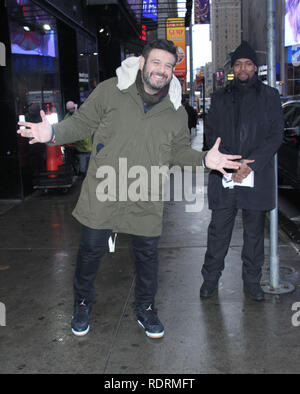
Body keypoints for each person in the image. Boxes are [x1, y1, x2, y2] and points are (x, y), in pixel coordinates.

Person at [18, 39, 241, 338]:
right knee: (90, 251)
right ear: (142, 63)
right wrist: (52, 133)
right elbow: (82, 123)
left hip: (146, 194)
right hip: (104, 190)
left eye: (168, 66)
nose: (162, 70)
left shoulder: (175, 112)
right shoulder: (111, 91)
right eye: (156, 62)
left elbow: (177, 153)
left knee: (148, 255)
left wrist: (204, 159)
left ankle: (146, 308)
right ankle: (83, 302)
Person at [199, 41, 284, 301]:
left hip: (255, 176)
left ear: (255, 68)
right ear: (233, 68)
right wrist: (229, 164)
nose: (243, 68)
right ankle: (210, 281)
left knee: (254, 236)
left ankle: (252, 282)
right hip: (226, 174)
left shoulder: (270, 96)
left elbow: (275, 136)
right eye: (238, 64)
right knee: (218, 234)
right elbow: (211, 134)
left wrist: (250, 164)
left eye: (248, 63)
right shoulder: (221, 96)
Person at [64, 100, 92, 176]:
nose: (71, 111)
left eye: (72, 109)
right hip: (80, 147)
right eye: (69, 110)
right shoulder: (68, 117)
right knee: (83, 163)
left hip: (85, 144)